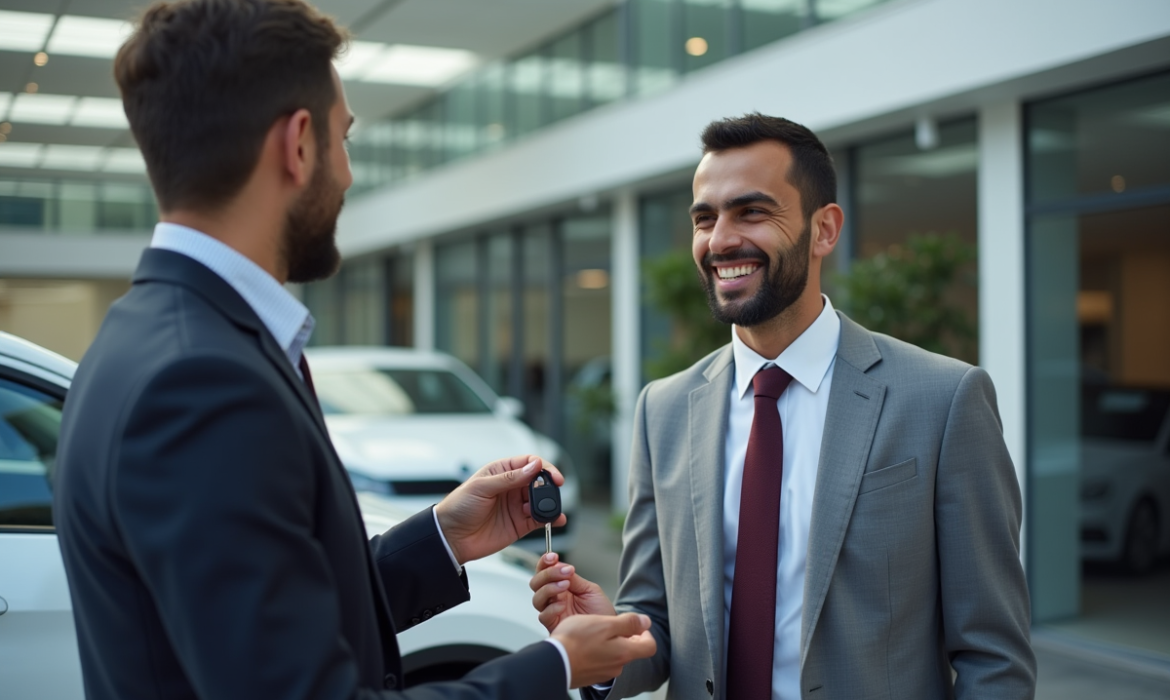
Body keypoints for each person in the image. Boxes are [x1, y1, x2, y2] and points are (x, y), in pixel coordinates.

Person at [53, 1, 655, 698]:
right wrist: (555, 666)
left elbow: (274, 615)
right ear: (298, 143)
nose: (347, 173)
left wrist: (442, 537)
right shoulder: (204, 381)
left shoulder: (143, 335)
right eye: (345, 138)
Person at [530, 114, 1036, 700]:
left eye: (751, 212)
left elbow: (993, 656)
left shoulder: (944, 400)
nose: (720, 241)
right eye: (704, 218)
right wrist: (602, 643)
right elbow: (662, 626)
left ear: (824, 230)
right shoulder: (662, 411)